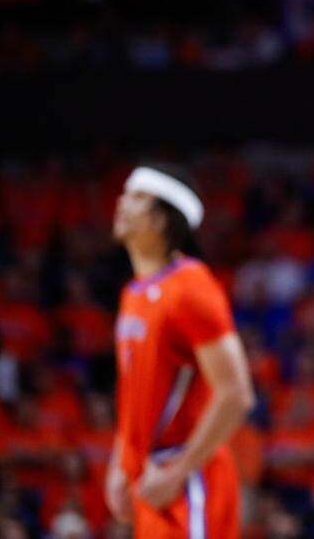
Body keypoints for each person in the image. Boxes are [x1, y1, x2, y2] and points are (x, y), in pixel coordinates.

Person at [105, 164, 254, 538]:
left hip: (189, 479)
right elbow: (135, 395)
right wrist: (119, 466)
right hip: (152, 476)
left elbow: (236, 394)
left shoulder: (191, 287)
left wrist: (179, 472)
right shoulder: (134, 293)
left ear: (163, 219)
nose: (121, 203)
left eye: (137, 196)